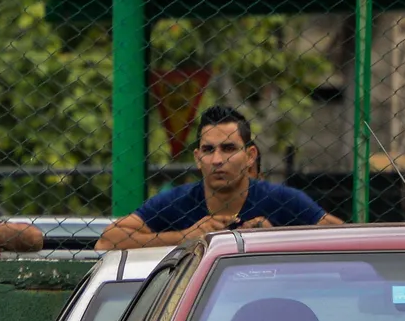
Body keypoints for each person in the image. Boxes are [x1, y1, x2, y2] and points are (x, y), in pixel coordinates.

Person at [95, 106, 342, 250]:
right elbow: (107, 241)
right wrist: (185, 238)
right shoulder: (176, 201)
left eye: (228, 148)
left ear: (250, 155)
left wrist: (274, 239)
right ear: (197, 157)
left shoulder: (281, 199)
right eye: (208, 150)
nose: (217, 160)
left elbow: (341, 236)